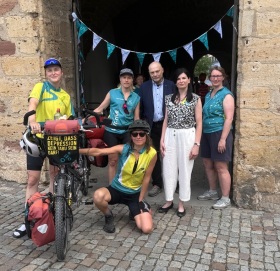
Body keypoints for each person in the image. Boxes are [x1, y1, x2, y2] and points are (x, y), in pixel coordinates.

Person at [13, 58, 75, 238]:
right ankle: (28, 219)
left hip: (56, 141)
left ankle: (54, 214)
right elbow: (32, 104)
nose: (53, 73)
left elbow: (69, 117)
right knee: (33, 180)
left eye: (56, 69)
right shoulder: (41, 87)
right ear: (46, 74)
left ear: (61, 72)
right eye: (50, 70)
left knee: (56, 177)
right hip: (38, 139)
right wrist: (32, 120)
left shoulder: (65, 95)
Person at [80, 120, 157, 233]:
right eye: (135, 134)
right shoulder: (124, 148)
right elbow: (98, 152)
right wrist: (76, 151)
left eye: (142, 134)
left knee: (146, 228)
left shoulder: (152, 153)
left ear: (147, 135)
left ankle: (138, 209)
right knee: (98, 196)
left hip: (134, 194)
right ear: (131, 136)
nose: (138, 137)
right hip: (117, 189)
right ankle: (108, 216)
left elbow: (147, 178)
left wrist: (140, 199)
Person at [159, 68, 202, 217]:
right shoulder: (169, 98)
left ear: (189, 80)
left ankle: (182, 202)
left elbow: (199, 122)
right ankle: (169, 200)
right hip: (171, 133)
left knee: (185, 169)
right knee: (168, 168)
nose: (181, 81)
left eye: (184, 78)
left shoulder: (195, 99)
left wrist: (197, 144)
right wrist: (162, 139)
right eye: (178, 79)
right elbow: (166, 120)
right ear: (175, 82)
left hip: (187, 135)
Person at [197, 66, 235, 209]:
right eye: (213, 76)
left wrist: (223, 139)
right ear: (210, 78)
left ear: (223, 77)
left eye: (218, 76)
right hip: (207, 133)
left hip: (219, 133)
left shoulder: (227, 95)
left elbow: (229, 118)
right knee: (208, 164)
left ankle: (225, 198)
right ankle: (213, 191)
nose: (215, 78)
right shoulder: (209, 94)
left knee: (221, 166)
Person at [94, 68, 140, 181]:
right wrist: (86, 118)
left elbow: (136, 117)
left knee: (127, 160)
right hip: (111, 131)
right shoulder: (112, 93)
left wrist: (138, 133)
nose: (126, 80)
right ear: (120, 79)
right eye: (124, 77)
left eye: (129, 78)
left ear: (132, 80)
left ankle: (125, 186)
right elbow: (101, 108)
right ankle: (112, 189)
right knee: (113, 160)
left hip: (127, 132)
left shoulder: (136, 97)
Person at [139, 62, 176, 197]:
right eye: (152, 72)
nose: (155, 74)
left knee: (170, 154)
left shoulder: (172, 85)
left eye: (157, 71)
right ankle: (157, 184)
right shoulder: (144, 87)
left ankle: (173, 183)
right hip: (152, 126)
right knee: (153, 155)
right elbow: (141, 108)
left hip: (169, 126)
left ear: (163, 70)